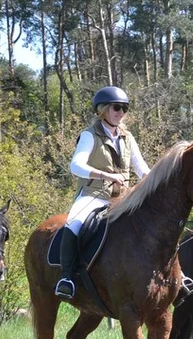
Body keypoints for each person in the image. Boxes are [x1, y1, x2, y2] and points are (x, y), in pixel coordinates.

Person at [55, 86, 150, 299]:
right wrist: (106, 176)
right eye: (117, 107)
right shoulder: (89, 135)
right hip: (93, 196)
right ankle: (67, 278)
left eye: (125, 109)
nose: (121, 113)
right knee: (73, 223)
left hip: (124, 197)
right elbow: (75, 166)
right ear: (103, 109)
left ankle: (176, 276)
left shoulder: (128, 137)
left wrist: (156, 182)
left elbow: (142, 168)